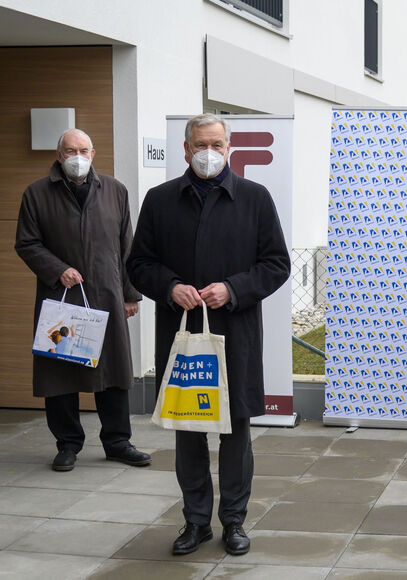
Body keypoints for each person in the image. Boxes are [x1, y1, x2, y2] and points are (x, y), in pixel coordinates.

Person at [127, 113, 291, 556]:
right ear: (186, 149)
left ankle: (234, 521)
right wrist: (169, 287)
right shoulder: (160, 199)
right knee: (188, 431)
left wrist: (233, 289)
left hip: (235, 336)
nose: (209, 153)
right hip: (182, 336)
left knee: (236, 432)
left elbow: (276, 264)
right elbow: (138, 264)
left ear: (229, 148)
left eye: (217, 145)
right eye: (201, 145)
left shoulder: (255, 198)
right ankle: (195, 521)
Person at [15, 129, 149, 473]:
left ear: (93, 153)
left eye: (83, 150)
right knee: (60, 372)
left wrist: (130, 294)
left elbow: (127, 245)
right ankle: (67, 444)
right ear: (59, 155)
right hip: (61, 299)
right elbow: (27, 243)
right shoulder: (37, 193)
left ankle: (118, 442)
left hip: (107, 295)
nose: (77, 157)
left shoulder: (115, 190)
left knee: (113, 371)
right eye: (70, 151)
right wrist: (57, 269)